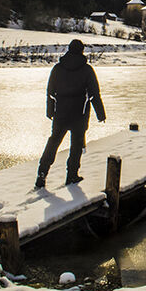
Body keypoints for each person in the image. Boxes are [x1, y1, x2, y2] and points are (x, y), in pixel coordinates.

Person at [35, 39, 105, 189]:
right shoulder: (87, 70)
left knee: (53, 142)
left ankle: (42, 173)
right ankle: (72, 175)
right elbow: (94, 94)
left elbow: (50, 92)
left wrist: (50, 111)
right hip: (79, 113)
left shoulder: (58, 68)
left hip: (60, 112)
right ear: (81, 51)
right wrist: (101, 114)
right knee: (76, 145)